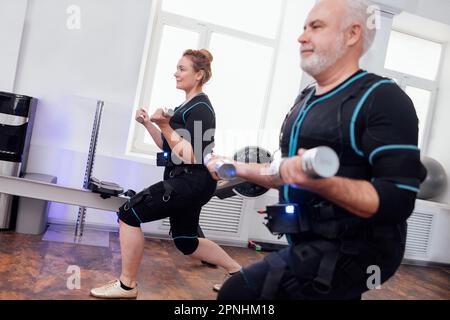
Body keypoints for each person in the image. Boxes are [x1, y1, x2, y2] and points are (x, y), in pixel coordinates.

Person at [206, 0, 426, 300]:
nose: (302, 37)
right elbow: (282, 170)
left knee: (238, 294)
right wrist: (232, 167)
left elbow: (398, 200)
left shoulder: (383, 98)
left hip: (361, 249)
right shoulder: (306, 99)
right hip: (310, 239)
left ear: (352, 34)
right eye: (303, 28)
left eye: (316, 27)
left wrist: (319, 182)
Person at [90, 49, 241, 299]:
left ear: (199, 74)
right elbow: (168, 145)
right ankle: (237, 273)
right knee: (186, 242)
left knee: (129, 213)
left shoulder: (201, 108)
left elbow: (193, 155)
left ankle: (127, 285)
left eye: (182, 69)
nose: (176, 73)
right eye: (177, 68)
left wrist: (164, 124)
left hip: (191, 181)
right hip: (185, 181)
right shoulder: (186, 106)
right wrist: (149, 123)